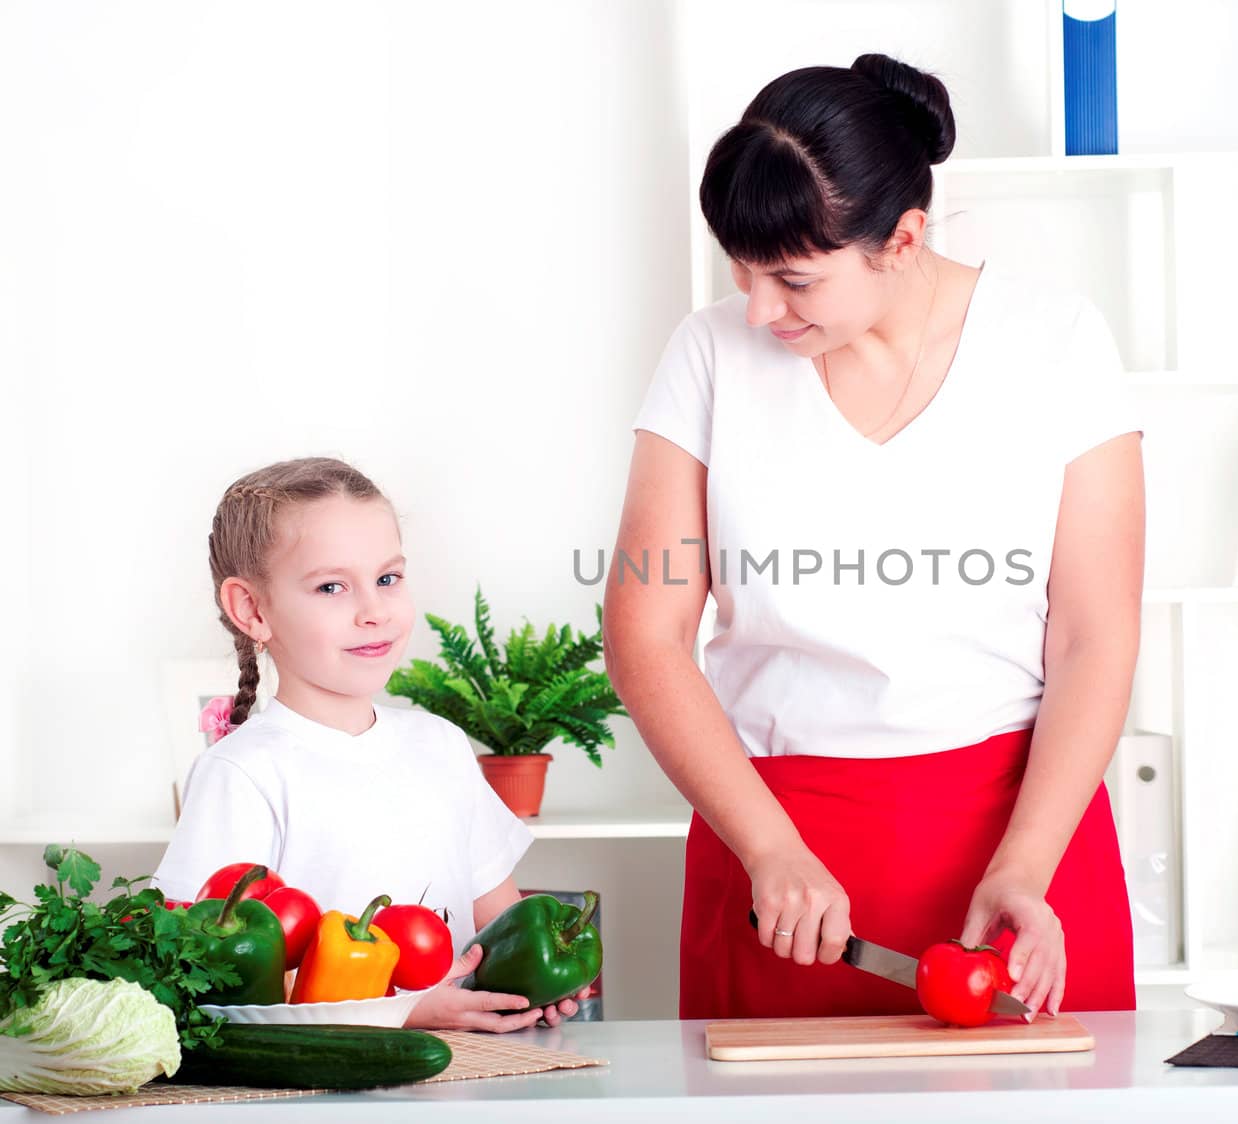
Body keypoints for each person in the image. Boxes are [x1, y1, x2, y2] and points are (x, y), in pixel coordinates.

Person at [604, 53, 1146, 1022]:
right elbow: (645, 632)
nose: (759, 308)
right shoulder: (707, 354)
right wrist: (766, 845)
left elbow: (1091, 634)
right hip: (778, 853)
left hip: (1022, 836)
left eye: (794, 279)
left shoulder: (1056, 341)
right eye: (742, 270)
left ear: (901, 238)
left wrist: (1025, 864)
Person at [153, 456, 585, 1030]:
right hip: (327, 1093)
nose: (374, 611)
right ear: (252, 610)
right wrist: (407, 1011)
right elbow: (207, 975)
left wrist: (537, 982)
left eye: (387, 579)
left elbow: (498, 915)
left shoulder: (441, 745)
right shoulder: (243, 770)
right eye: (332, 587)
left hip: (473, 1074)